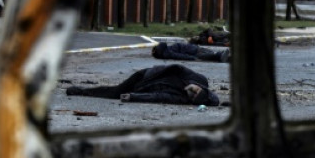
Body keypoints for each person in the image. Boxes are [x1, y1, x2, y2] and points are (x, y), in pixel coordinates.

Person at [65, 64, 221, 106]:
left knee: (117, 93)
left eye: (192, 96)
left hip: (144, 87)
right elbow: (176, 67)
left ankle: (82, 91)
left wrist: (133, 97)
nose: (190, 93)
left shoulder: (183, 98)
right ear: (200, 87)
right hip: (146, 75)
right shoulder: (198, 78)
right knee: (114, 91)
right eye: (194, 91)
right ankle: (81, 91)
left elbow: (159, 97)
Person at [151, 41, 230, 63]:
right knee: (213, 55)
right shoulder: (168, 51)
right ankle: (224, 56)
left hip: (195, 51)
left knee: (212, 55)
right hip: (195, 51)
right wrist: (191, 58)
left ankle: (223, 56)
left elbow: (178, 55)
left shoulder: (168, 50)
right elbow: (179, 56)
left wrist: (192, 57)